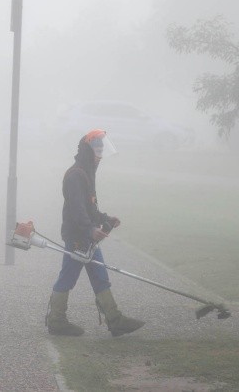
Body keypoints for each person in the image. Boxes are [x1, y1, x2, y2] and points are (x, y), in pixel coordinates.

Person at [45, 129, 145, 337]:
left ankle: (115, 320)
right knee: (68, 277)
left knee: (100, 276)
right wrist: (90, 229)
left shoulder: (87, 171)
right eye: (97, 151)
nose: (100, 155)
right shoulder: (76, 175)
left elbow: (90, 208)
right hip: (78, 237)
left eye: (101, 150)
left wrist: (105, 219)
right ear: (87, 151)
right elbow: (77, 209)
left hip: (87, 236)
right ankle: (56, 321)